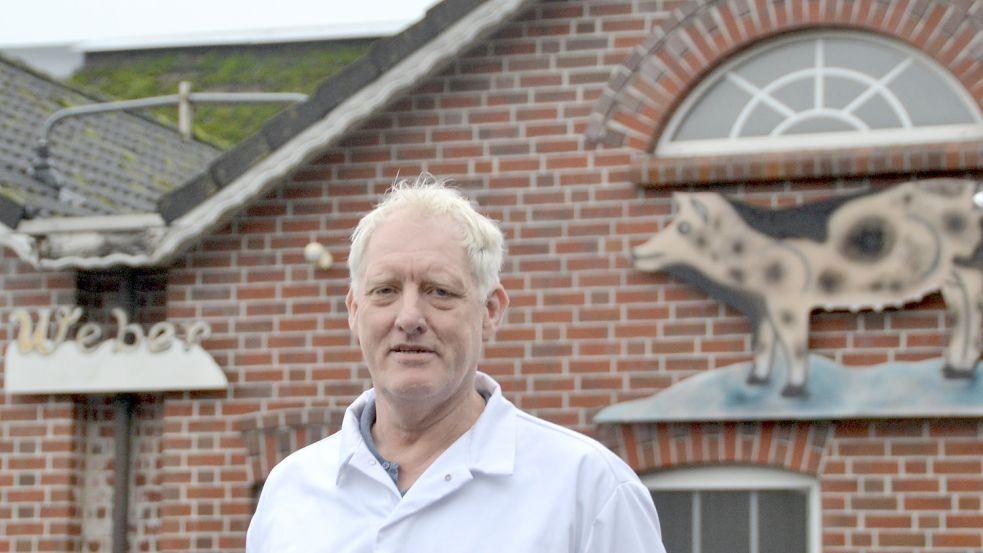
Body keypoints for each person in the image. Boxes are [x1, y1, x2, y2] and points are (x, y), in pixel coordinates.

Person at [246, 174, 666, 553]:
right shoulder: (290, 491)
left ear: (490, 311)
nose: (409, 318)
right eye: (385, 290)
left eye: (440, 291)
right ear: (355, 311)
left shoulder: (589, 489)